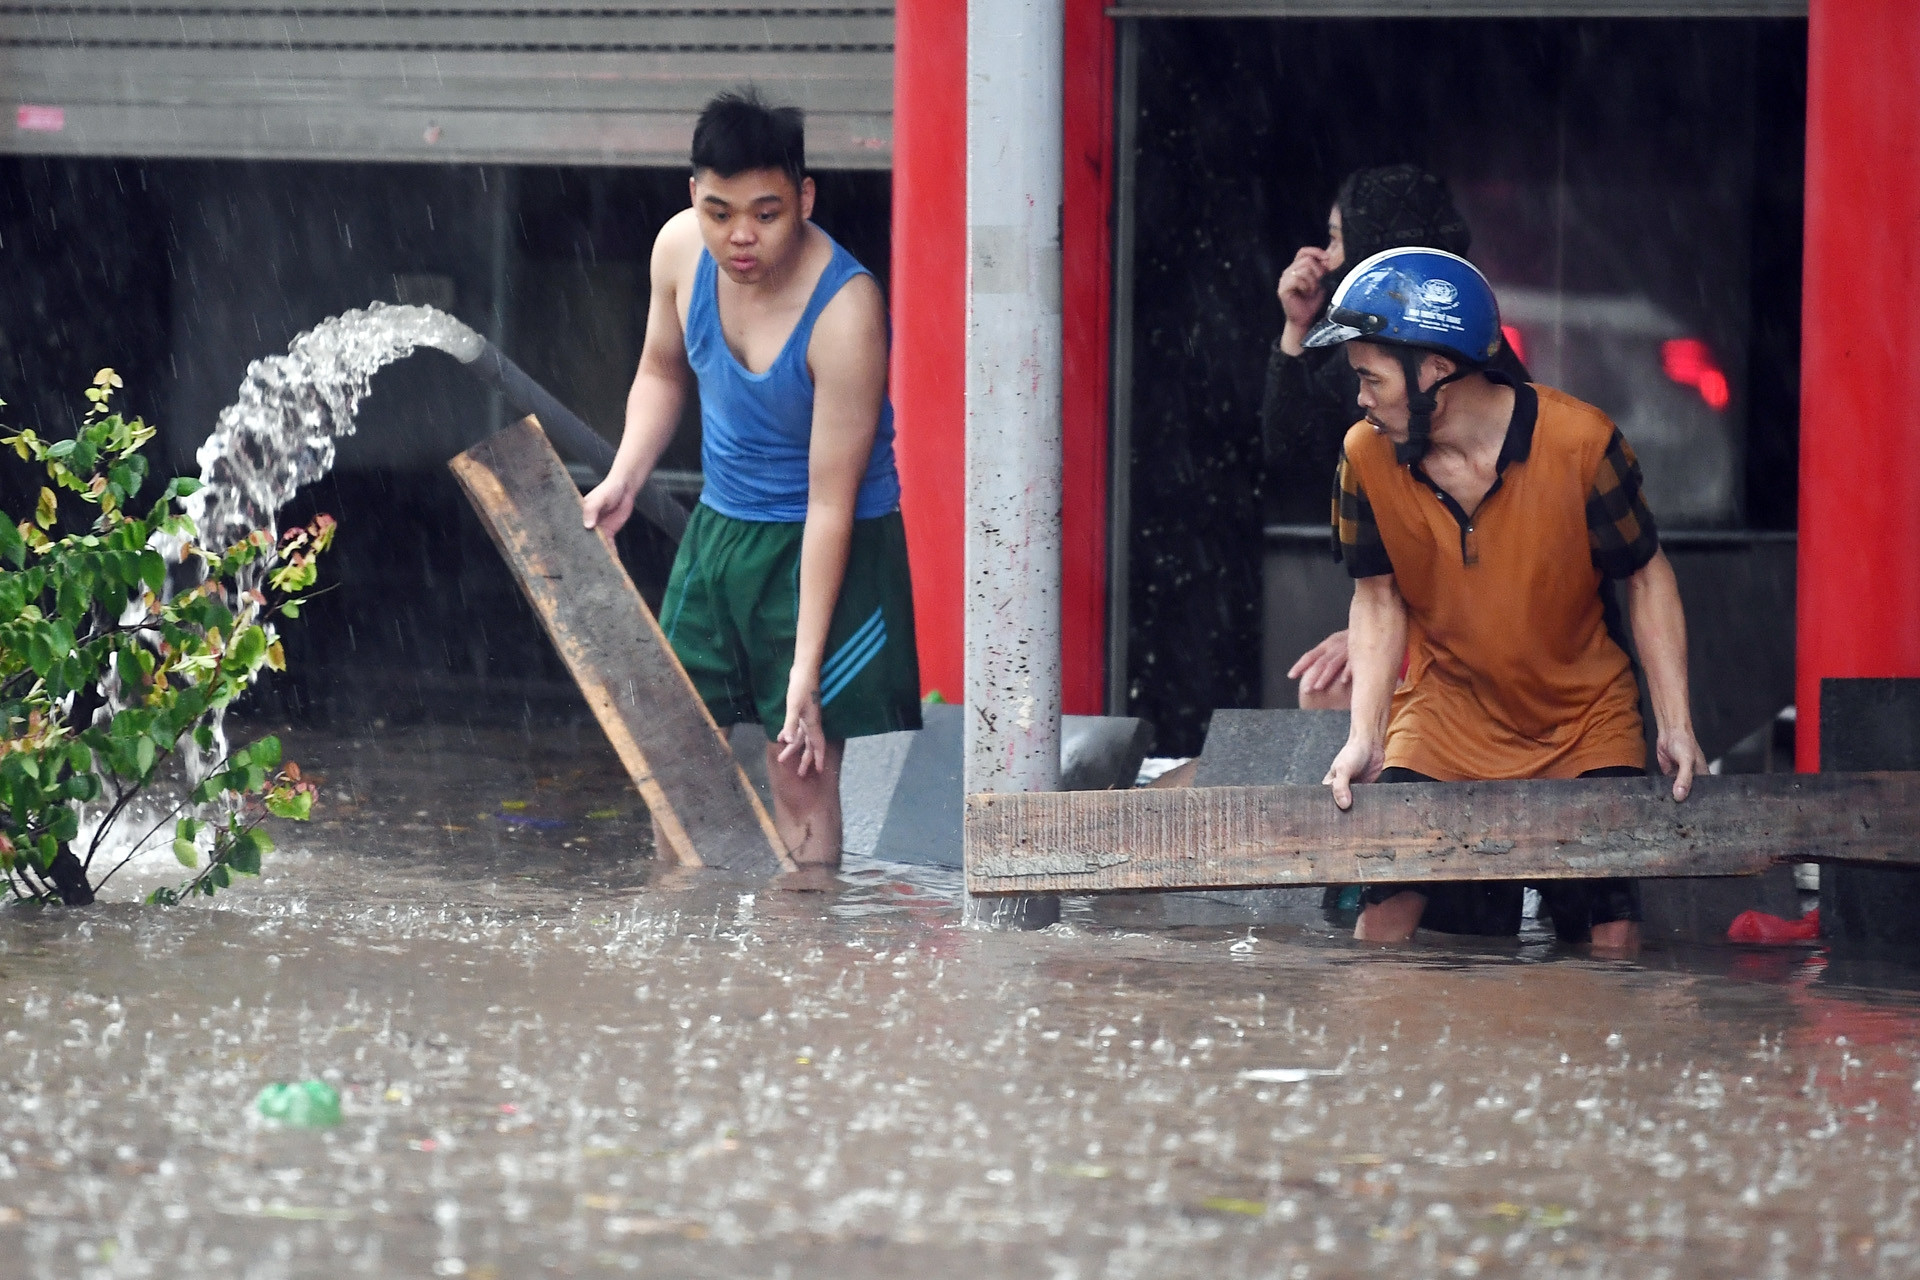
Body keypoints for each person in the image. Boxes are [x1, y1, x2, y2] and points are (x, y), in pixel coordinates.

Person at [1311, 247, 1708, 950]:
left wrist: (1676, 725)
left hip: (1583, 717)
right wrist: (1364, 737)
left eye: (1370, 377)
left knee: (1612, 939)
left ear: (1435, 368)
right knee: (1385, 928)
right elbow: (1376, 601)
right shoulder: (1364, 456)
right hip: (1447, 714)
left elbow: (1647, 576)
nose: (1361, 397)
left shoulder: (1581, 444)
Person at [581, 90, 920, 867]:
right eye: (719, 210)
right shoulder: (677, 252)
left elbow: (832, 503)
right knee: (673, 754)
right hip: (721, 531)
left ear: (804, 198)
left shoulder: (847, 312)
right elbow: (661, 373)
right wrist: (625, 476)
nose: (740, 236)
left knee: (794, 765)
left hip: (832, 544)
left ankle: (805, 966)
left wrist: (803, 669)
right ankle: (685, 958)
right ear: (692, 197)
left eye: (766, 214)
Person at [1262, 165, 1529, 710]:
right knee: (1328, 688)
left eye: (1338, 241)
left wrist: (1394, 639)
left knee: (1337, 692)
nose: (1323, 259)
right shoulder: (1375, 395)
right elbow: (1292, 448)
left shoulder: (1506, 411)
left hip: (1515, 647)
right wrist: (1297, 327)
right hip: (1440, 620)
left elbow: (1491, 561)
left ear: (1437, 372)